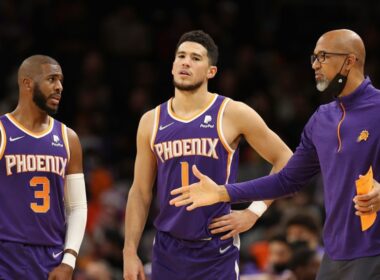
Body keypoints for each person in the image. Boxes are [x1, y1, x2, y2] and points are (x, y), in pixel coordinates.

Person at [170, 29, 380, 279]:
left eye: (322, 56)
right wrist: (222, 192)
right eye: (313, 57)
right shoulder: (321, 119)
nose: (315, 65)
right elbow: (287, 180)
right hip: (334, 256)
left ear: (349, 60)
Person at [123, 30, 292, 280]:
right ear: (172, 66)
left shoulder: (232, 113)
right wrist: (129, 250)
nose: (186, 62)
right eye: (181, 56)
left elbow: (285, 158)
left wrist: (253, 212)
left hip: (216, 249)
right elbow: (140, 191)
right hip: (167, 249)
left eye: (195, 58)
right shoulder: (151, 121)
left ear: (211, 71)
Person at [0, 55, 87, 279]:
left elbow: (77, 207)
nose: (59, 87)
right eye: (51, 79)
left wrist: (68, 261)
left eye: (61, 81)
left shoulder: (68, 138)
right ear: (27, 83)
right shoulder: (2, 132)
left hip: (52, 257)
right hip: (7, 254)